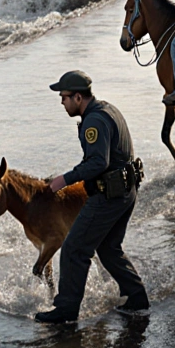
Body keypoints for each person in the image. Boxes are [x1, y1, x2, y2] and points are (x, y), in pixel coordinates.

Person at [35, 71, 150, 324]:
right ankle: (137, 298)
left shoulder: (93, 122)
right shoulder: (107, 109)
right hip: (126, 191)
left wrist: (63, 180)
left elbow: (99, 162)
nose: (62, 102)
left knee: (74, 249)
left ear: (78, 96)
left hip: (109, 195)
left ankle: (66, 310)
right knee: (109, 249)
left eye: (64, 97)